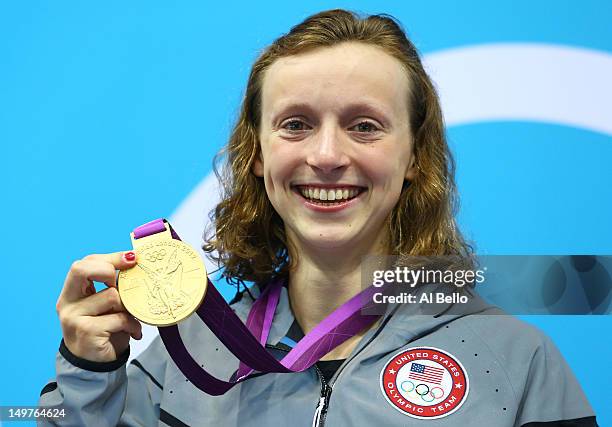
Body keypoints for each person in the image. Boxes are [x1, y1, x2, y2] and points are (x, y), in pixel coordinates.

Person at [39, 9, 598, 426]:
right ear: (255, 155)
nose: (327, 156)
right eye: (296, 124)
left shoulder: (515, 363)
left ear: (412, 159)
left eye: (365, 126)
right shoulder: (181, 358)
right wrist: (86, 374)